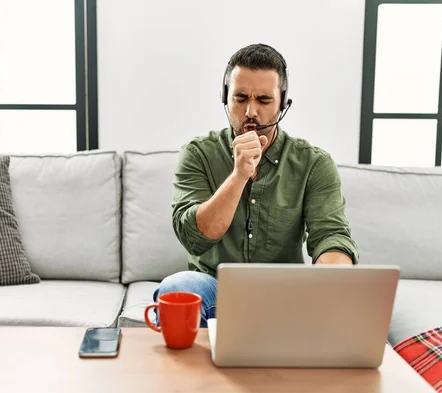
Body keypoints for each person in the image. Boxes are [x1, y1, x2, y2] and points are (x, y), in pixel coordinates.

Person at [153, 43, 359, 327]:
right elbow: (195, 238)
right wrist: (238, 175)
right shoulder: (198, 154)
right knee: (178, 288)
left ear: (282, 103)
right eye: (240, 98)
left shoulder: (314, 164)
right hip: (214, 288)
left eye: (263, 100)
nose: (251, 111)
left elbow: (331, 235)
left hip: (285, 294)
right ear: (225, 98)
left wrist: (331, 277)